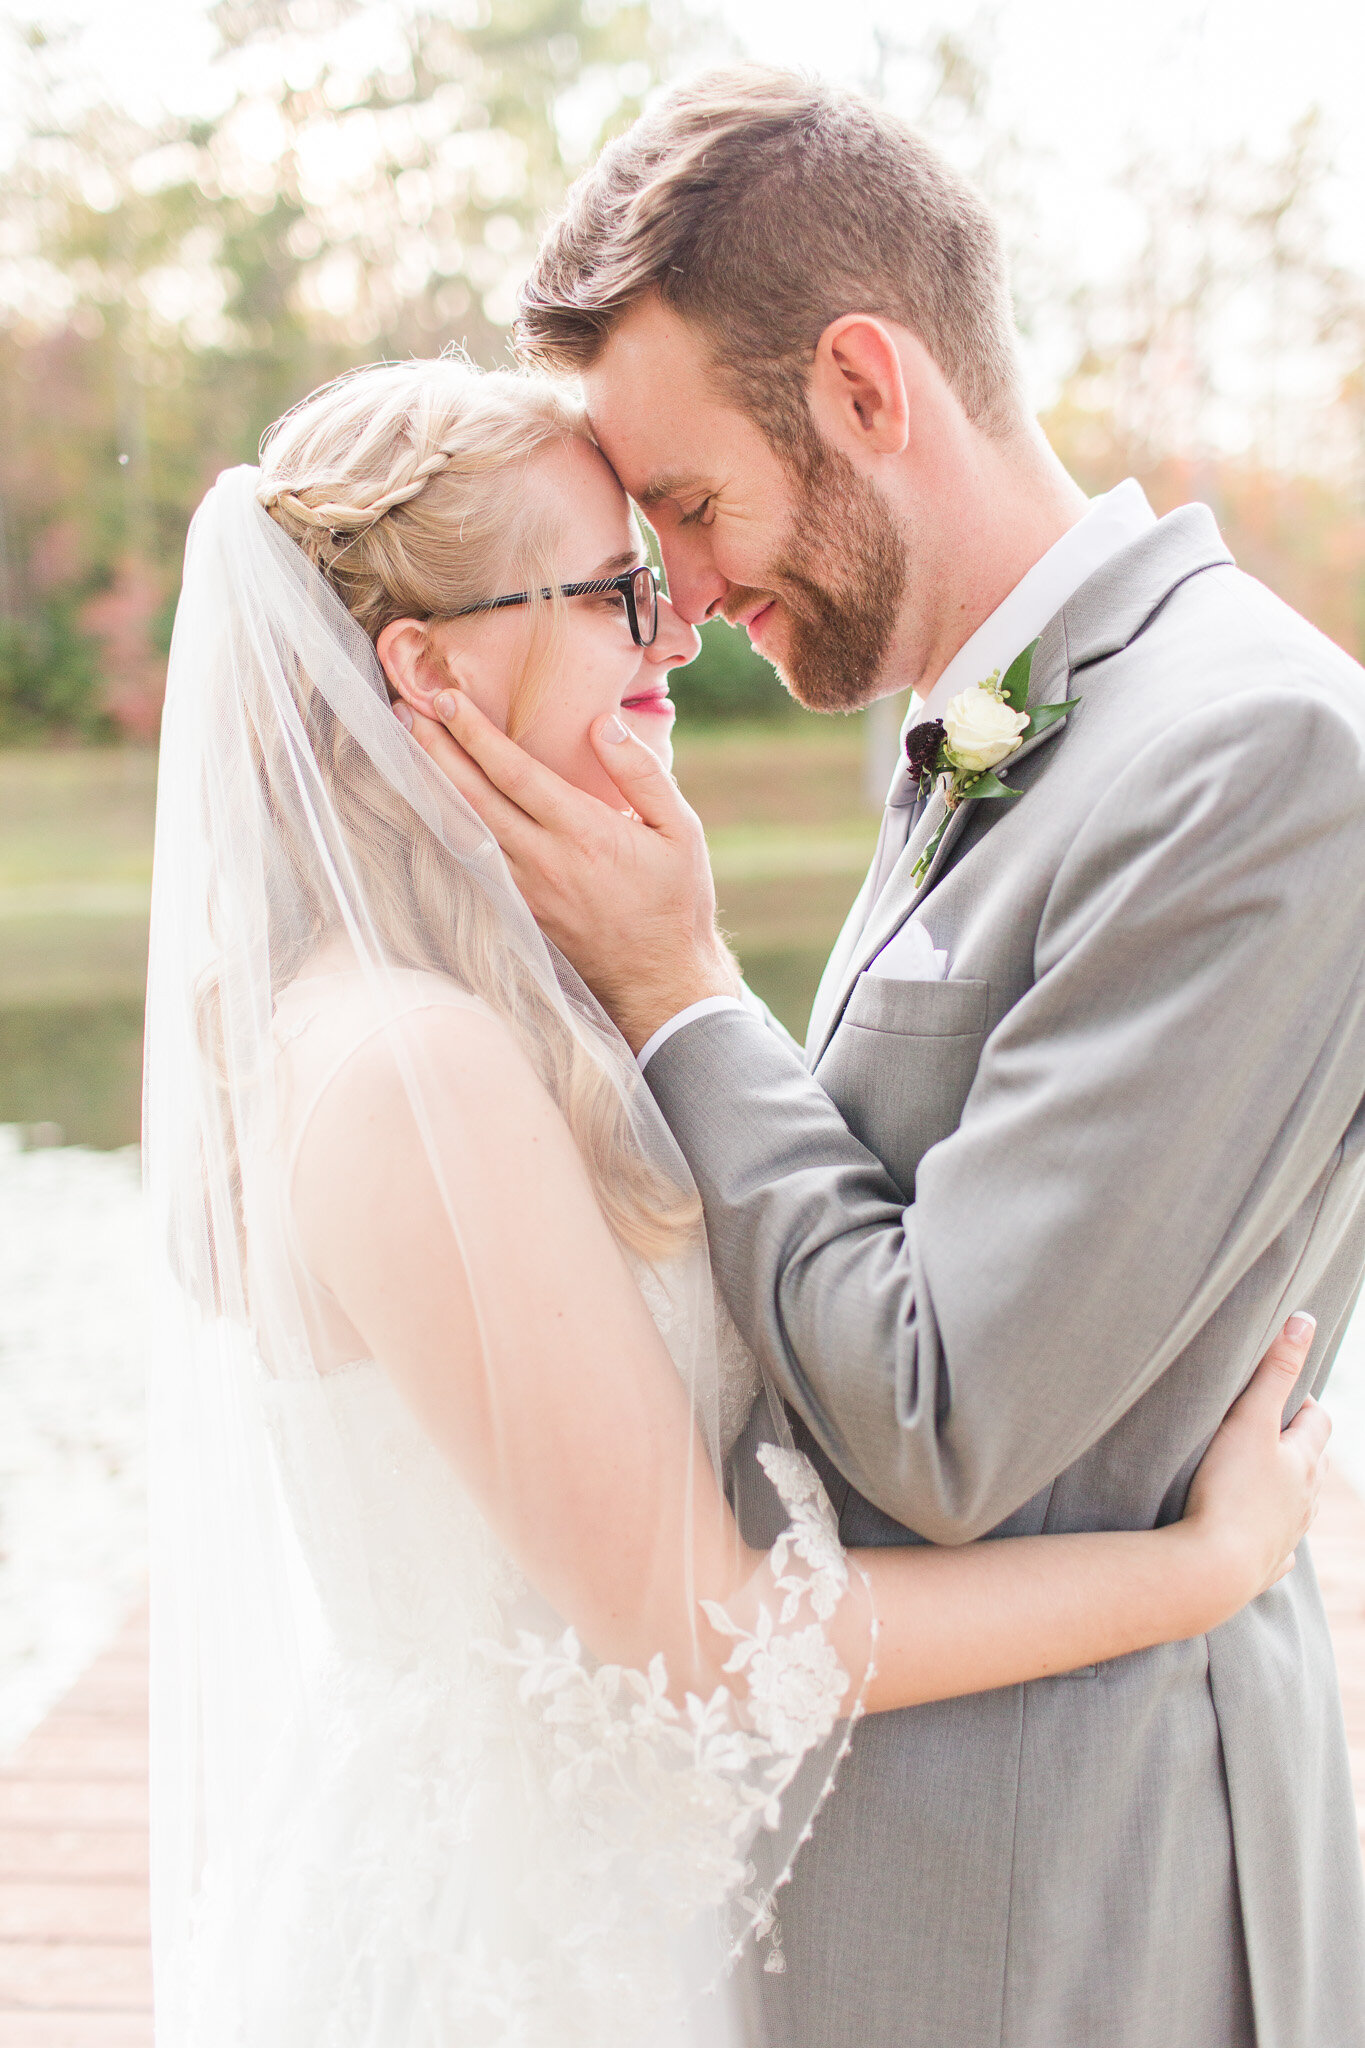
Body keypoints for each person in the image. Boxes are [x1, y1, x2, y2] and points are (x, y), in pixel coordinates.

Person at [143, 356, 1329, 2048]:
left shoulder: (479, 1008)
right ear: (427, 665)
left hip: (624, 1908)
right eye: (619, 588)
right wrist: (1198, 1571)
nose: (675, 628)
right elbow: (703, 1631)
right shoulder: (410, 1063)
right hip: (523, 1962)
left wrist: (666, 976)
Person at [404, 68, 1365, 2048]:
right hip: (906, 1854)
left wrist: (678, 988)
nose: (680, 584)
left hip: (1079, 1901)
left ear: (859, 383)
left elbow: (945, 1419)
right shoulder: (998, 723)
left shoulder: (1253, 757)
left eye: (684, 503)